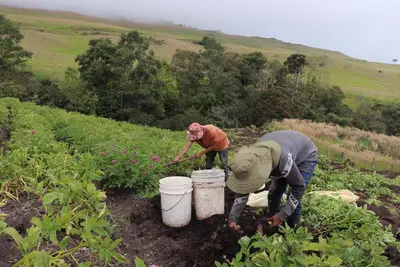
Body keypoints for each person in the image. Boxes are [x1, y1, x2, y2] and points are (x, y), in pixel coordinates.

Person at [226, 130, 318, 232]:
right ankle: (273, 224)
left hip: (305, 156)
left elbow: (298, 187)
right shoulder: (251, 159)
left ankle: (293, 233)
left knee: (293, 197)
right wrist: (233, 218)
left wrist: (282, 215)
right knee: (274, 194)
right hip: (283, 150)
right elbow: (243, 188)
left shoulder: (283, 159)